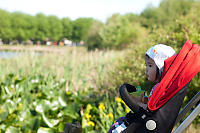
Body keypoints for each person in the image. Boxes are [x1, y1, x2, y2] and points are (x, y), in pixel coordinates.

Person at [107, 44, 176, 133]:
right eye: (146, 65)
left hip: (147, 124)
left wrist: (137, 103)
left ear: (161, 68)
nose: (146, 69)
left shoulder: (161, 88)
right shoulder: (159, 87)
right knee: (120, 121)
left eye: (150, 66)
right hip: (145, 122)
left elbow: (150, 110)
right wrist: (141, 99)